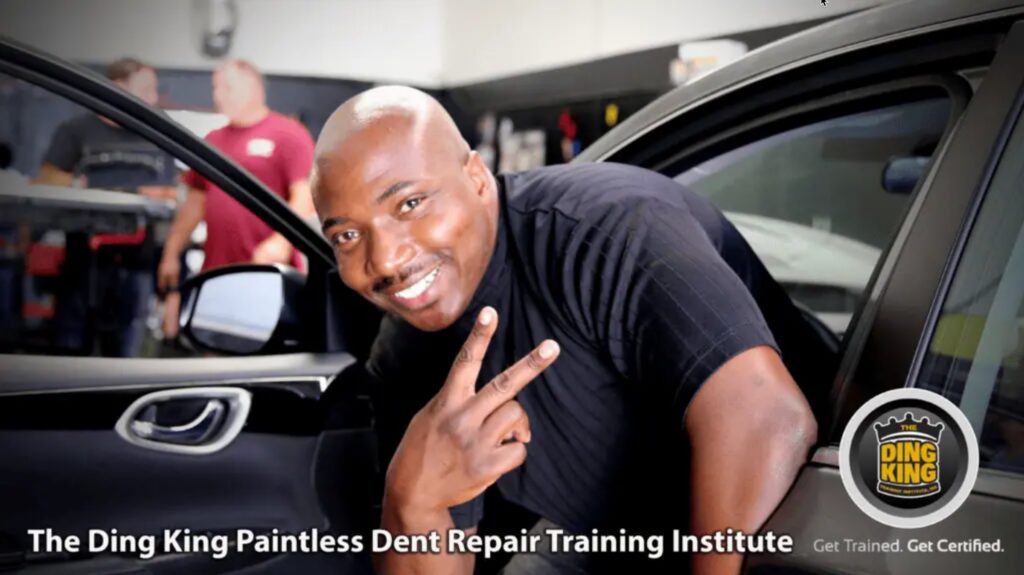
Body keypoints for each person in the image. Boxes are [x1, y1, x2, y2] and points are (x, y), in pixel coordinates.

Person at [312, 86, 832, 575]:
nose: (386, 259)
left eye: (409, 204)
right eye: (349, 235)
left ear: (474, 176)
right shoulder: (406, 353)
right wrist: (413, 500)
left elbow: (767, 418)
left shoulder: (606, 227)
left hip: (795, 523)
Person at [157, 59, 314, 336]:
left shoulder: (288, 134)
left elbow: (305, 196)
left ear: (254, 89)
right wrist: (171, 253)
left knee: (262, 353)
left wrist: (281, 241)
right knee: (215, 349)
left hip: (265, 272)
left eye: (226, 87)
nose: (218, 95)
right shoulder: (214, 141)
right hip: (217, 273)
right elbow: (194, 204)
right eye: (216, 87)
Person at [35, 57, 177, 356]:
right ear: (116, 89)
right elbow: (47, 182)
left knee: (126, 355)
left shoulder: (157, 132)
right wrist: (78, 187)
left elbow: (167, 191)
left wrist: (106, 189)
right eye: (146, 88)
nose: (153, 98)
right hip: (83, 261)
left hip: (135, 264)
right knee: (71, 352)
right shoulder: (76, 131)